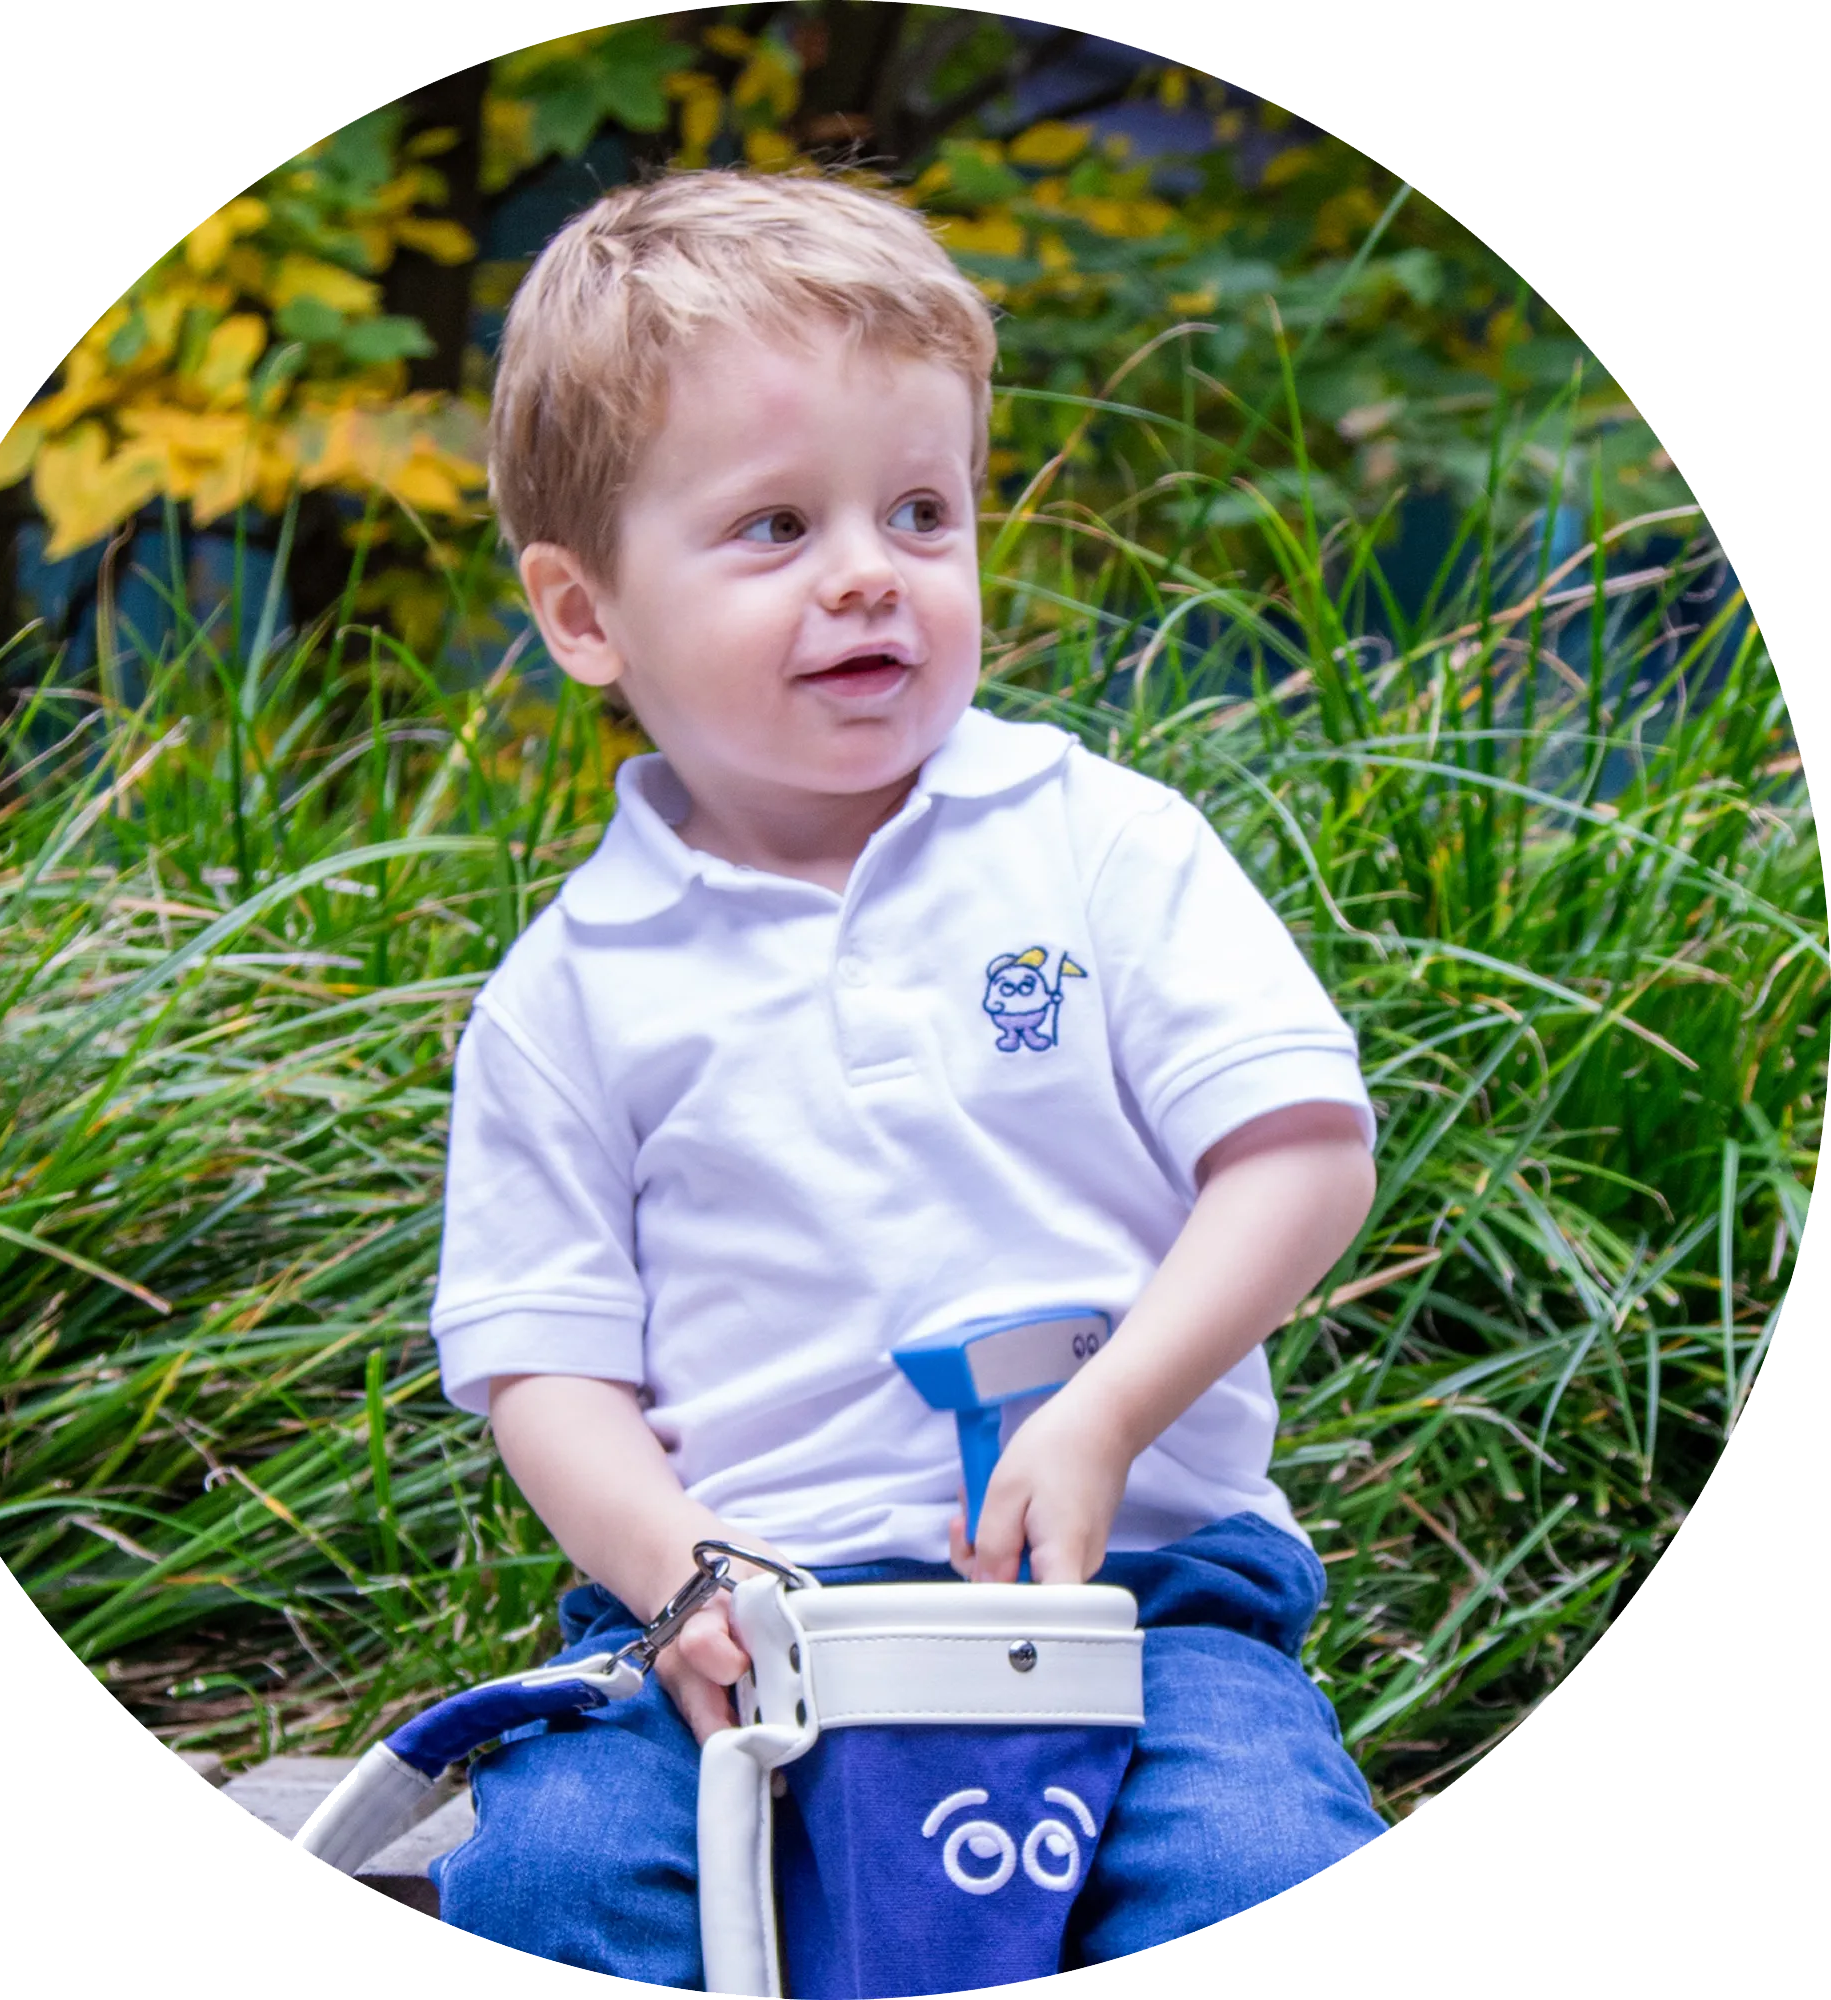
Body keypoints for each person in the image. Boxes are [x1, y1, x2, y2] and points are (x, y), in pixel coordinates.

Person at [427, 168, 1387, 1984]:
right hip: (730, 1636)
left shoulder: (1100, 845)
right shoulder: (569, 993)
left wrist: (1106, 1414)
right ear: (584, 615)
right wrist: (684, 1569)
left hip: (1134, 1604)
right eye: (776, 527)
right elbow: (544, 1364)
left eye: (922, 511)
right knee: (556, 1881)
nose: (873, 570)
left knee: (1257, 1864)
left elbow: (1298, 1156)